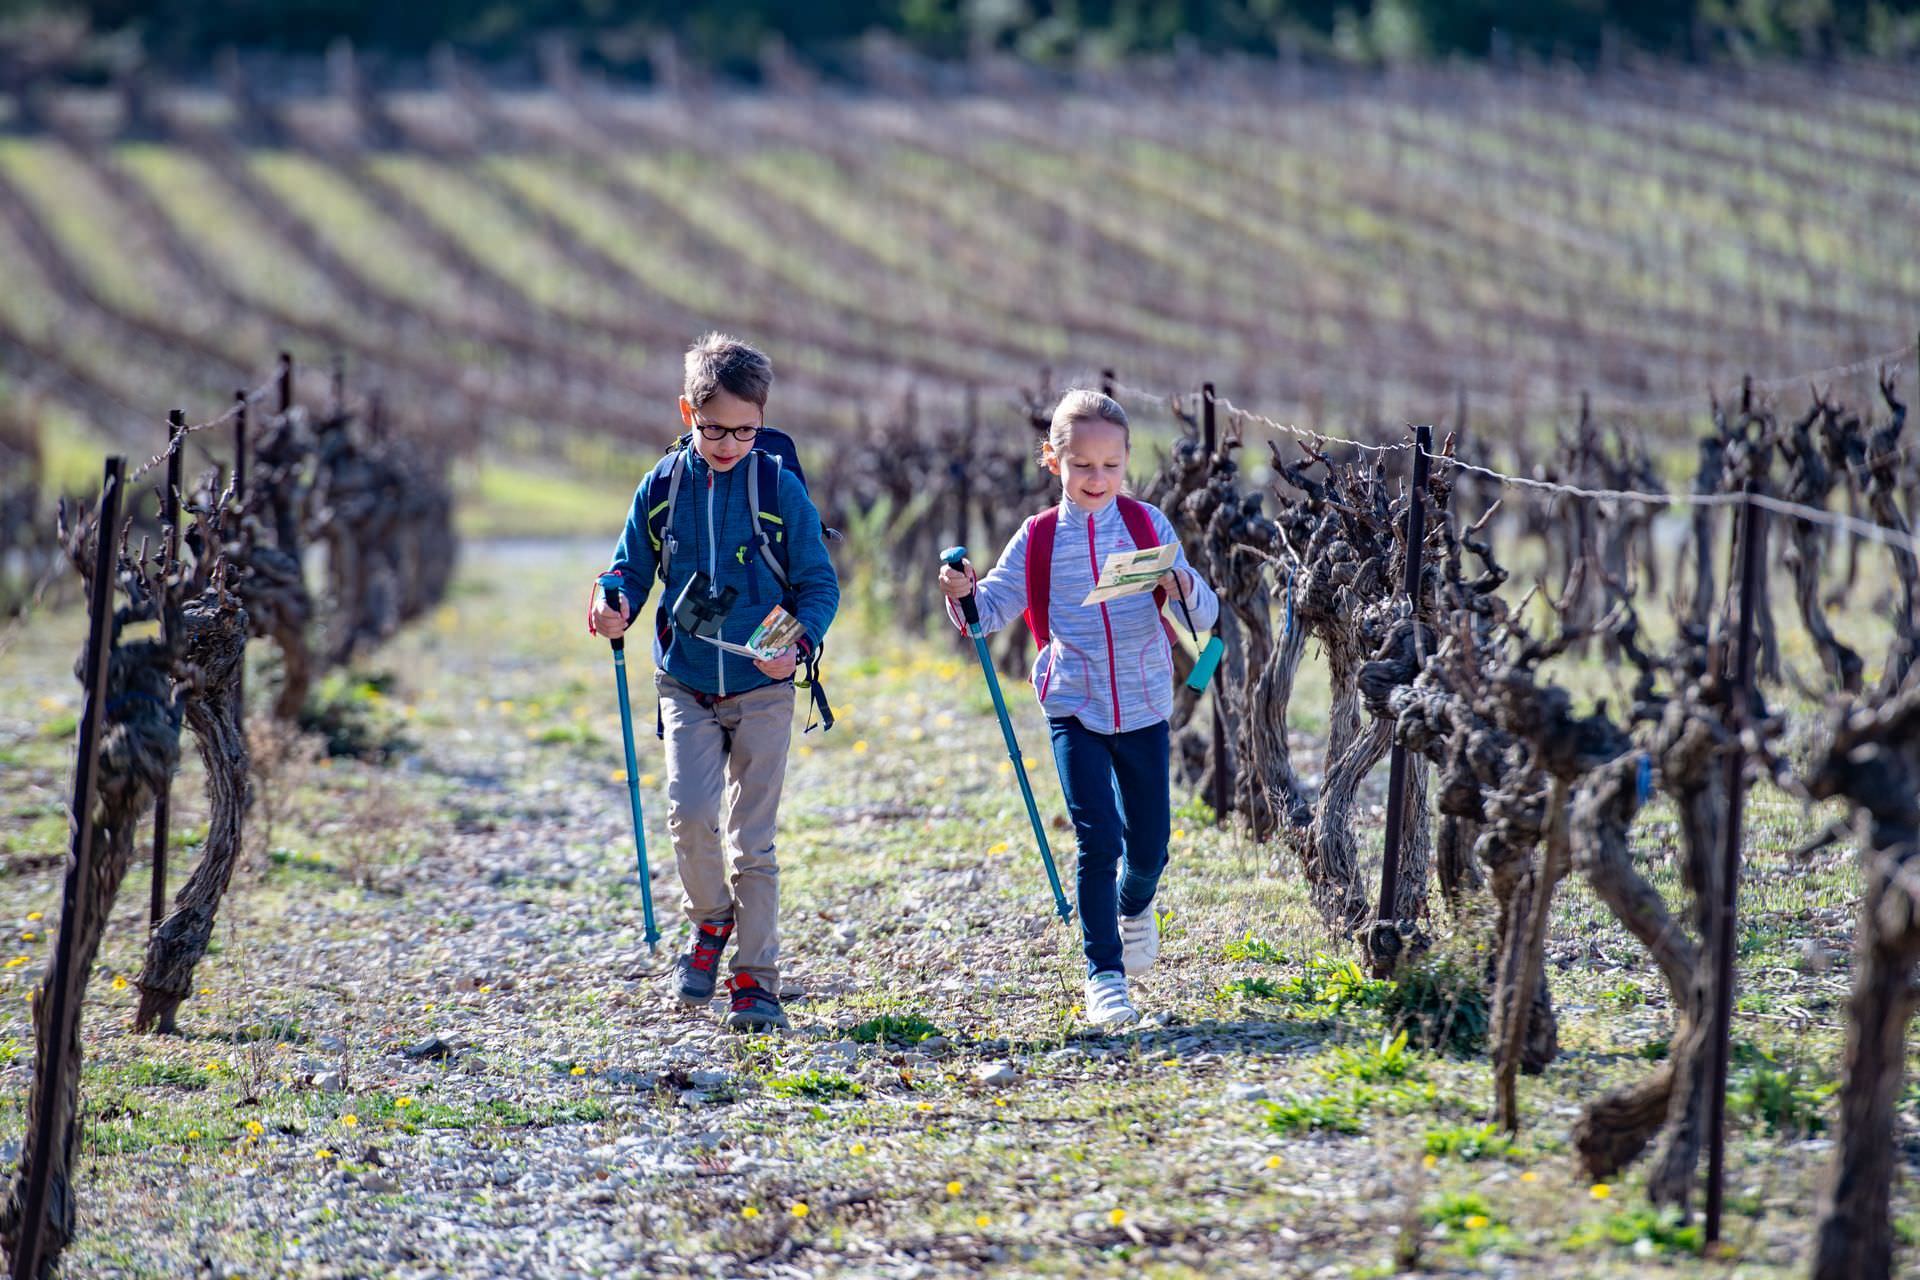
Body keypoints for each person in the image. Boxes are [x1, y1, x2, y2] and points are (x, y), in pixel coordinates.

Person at [938, 389, 1218, 1028]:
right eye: (1083, 466)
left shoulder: (1148, 526)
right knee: (1099, 837)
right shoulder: (1037, 538)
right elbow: (989, 614)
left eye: (1111, 466)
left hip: (1146, 703)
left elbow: (1204, 615)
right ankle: (1104, 976)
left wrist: (1181, 585)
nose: (1098, 479)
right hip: (1073, 704)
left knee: (1149, 847)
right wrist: (964, 593)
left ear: (1126, 461)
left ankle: (1136, 901)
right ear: (1052, 460)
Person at [590, 333, 839, 1031]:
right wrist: (611, 601)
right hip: (687, 681)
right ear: (686, 413)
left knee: (751, 841)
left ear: (763, 419)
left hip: (763, 689)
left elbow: (819, 585)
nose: (730, 443)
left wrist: (795, 645)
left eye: (746, 430)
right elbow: (629, 569)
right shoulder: (662, 486)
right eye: (713, 429)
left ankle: (757, 980)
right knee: (690, 817)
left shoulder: (776, 486)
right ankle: (711, 922)